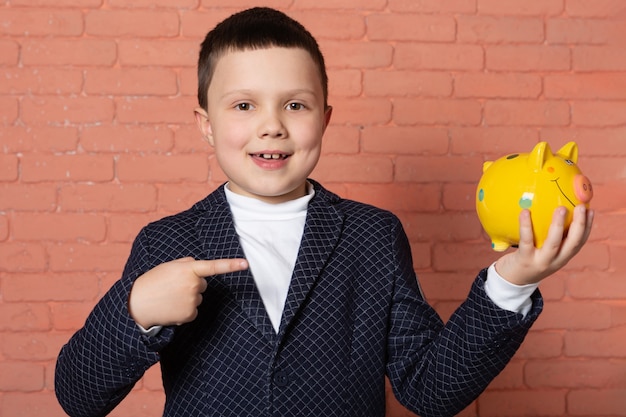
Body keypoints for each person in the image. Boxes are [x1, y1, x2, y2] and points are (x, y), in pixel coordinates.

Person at [54, 7, 594, 417]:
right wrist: (136, 312)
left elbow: (431, 389)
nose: (273, 126)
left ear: (325, 118)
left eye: (295, 104)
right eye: (244, 105)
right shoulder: (166, 242)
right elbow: (79, 396)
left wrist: (512, 283)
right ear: (206, 124)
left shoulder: (373, 237)